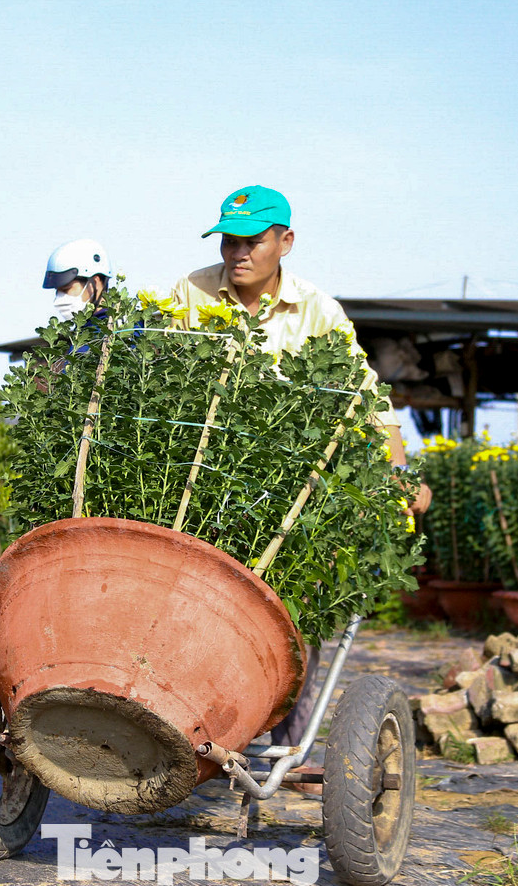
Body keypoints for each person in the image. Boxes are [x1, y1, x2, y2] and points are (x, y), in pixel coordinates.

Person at [171, 185, 431, 753]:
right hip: (199, 484)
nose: (237, 253)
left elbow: (366, 398)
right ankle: (186, 719)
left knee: (286, 609)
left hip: (289, 495)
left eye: (252, 241)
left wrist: (399, 471)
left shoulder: (318, 311)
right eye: (228, 240)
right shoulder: (189, 294)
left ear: (285, 242)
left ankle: (282, 734)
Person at [43, 238, 114, 321]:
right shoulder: (81, 330)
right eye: (57, 292)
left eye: (66, 289)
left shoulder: (116, 328)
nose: (59, 300)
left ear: (95, 282)